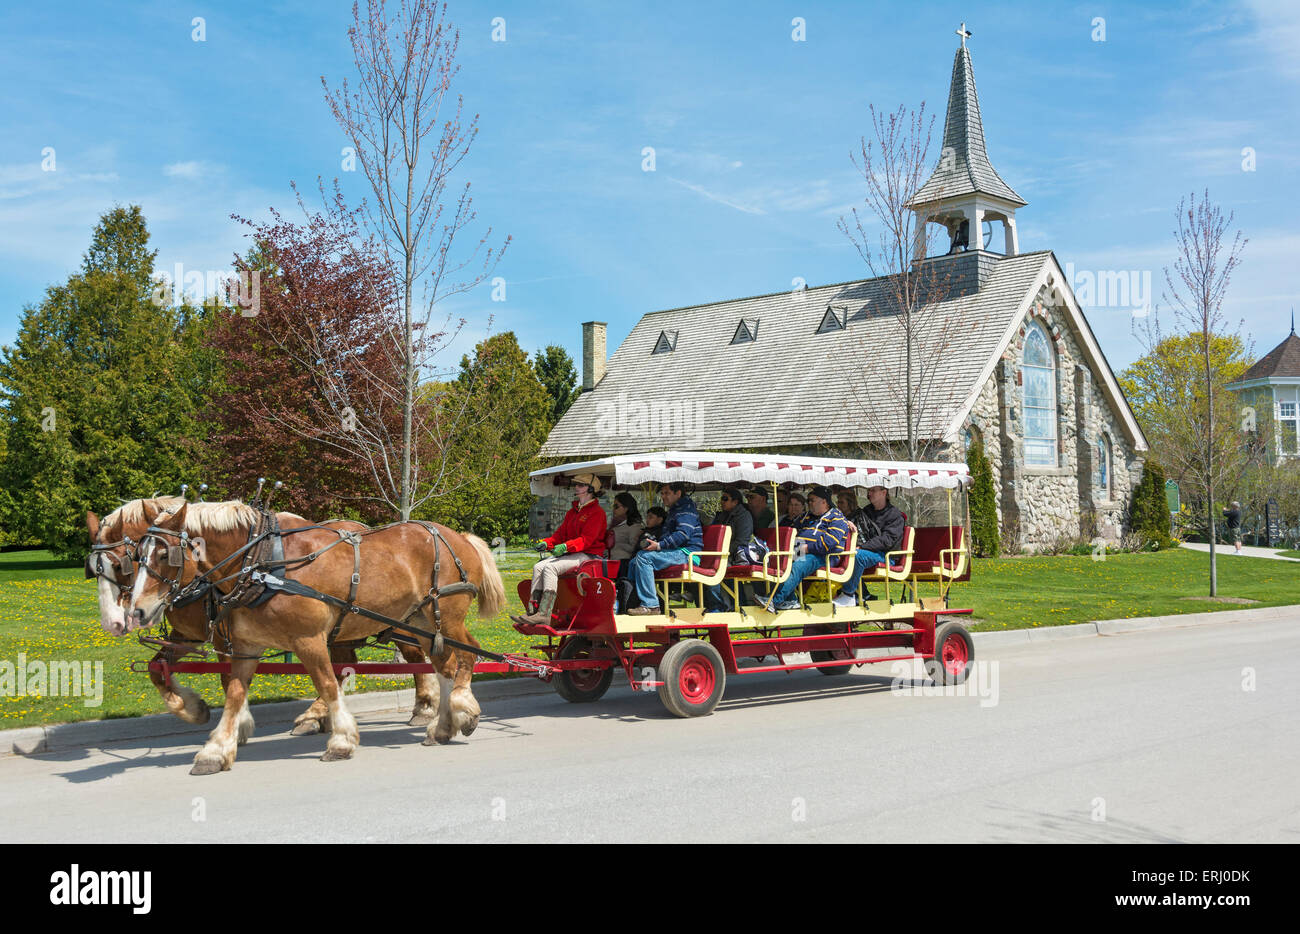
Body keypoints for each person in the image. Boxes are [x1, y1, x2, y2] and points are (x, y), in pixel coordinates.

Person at [514, 474, 607, 625]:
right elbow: (560, 535)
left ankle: (544, 614)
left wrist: (565, 546)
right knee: (538, 566)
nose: (576, 487)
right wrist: (546, 543)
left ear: (590, 489)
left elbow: (587, 540)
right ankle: (532, 612)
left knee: (550, 568)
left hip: (589, 555)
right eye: (576, 485)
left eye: (580, 485)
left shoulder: (597, 513)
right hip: (574, 553)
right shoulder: (573, 512)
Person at [766, 486, 853, 611]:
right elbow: (793, 532)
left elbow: (829, 542)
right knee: (777, 562)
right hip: (802, 550)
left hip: (826, 556)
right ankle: (790, 600)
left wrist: (807, 548)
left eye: (812, 500)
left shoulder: (837, 517)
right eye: (808, 501)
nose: (809, 503)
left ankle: (773, 600)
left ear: (824, 502)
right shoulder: (806, 516)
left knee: (798, 565)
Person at [627, 483, 703, 616]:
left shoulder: (686, 509)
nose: (663, 497)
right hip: (676, 552)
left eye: (666, 493)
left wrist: (659, 546)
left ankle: (651, 606)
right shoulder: (675, 509)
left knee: (644, 558)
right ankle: (632, 603)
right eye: (662, 493)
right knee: (634, 561)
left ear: (678, 493)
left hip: (687, 553)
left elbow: (683, 534)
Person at [836, 484, 905, 607]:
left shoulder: (895, 515)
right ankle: (861, 594)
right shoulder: (867, 511)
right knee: (842, 554)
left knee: (857, 556)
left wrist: (863, 547)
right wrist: (847, 522)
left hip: (887, 556)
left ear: (884, 493)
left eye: (873, 490)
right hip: (870, 552)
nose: (869, 493)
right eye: (869, 490)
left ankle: (848, 595)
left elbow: (887, 540)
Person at [704, 488, 754, 612]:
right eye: (722, 498)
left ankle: (733, 604)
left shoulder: (744, 516)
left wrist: (722, 552)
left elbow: (741, 541)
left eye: (725, 499)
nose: (722, 501)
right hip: (719, 554)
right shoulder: (722, 516)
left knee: (716, 567)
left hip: (736, 555)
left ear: (735, 501)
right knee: (696, 562)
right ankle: (704, 601)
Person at [608, 492, 644, 612]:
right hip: (609, 561)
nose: (613, 509)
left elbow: (635, 547)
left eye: (616, 506)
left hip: (623, 563)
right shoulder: (614, 524)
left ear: (626, 508)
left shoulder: (634, 526)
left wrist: (616, 544)